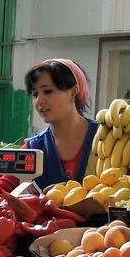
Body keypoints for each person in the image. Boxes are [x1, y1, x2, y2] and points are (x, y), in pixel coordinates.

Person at [24, 58, 96, 190]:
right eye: (35, 94)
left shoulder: (105, 138)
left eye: (48, 91)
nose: (39, 101)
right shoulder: (33, 147)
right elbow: (4, 185)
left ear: (73, 92)